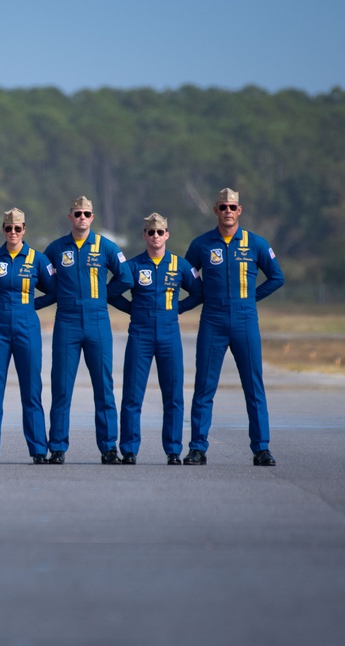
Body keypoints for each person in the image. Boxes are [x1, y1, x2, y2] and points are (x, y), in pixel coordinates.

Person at [180, 188, 285, 466]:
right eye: (223, 207)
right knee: (204, 386)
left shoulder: (256, 243)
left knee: (253, 386)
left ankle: (261, 448)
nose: (227, 211)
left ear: (240, 210)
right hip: (213, 321)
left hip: (245, 320)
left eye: (232, 207)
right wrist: (202, 295)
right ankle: (197, 448)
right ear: (215, 210)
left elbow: (277, 277)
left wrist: (251, 298)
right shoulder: (202, 244)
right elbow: (183, 275)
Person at [35, 196, 131, 465]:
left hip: (97, 321)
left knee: (103, 387)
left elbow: (126, 277)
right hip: (66, 322)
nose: (81, 218)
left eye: (86, 213)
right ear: (70, 217)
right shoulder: (56, 248)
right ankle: (57, 447)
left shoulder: (106, 247)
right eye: (77, 213)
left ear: (92, 217)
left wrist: (103, 296)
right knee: (61, 387)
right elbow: (43, 278)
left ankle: (109, 447)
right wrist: (58, 295)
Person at [107, 213, 202, 465]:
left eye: (160, 232)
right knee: (132, 394)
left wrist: (178, 309)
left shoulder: (180, 265)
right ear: (144, 235)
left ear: (167, 234)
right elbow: (111, 292)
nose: (156, 237)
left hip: (170, 334)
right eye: (151, 232)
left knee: (173, 395)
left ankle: (173, 450)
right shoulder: (133, 266)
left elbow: (199, 292)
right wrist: (132, 309)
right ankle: (129, 449)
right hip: (140, 334)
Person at [0, 208, 55, 464]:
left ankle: (37, 450)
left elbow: (54, 291)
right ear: (3, 229)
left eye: (18, 228)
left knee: (32, 390)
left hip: (27, 325)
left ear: (24, 230)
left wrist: (30, 307)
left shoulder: (38, 259)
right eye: (8, 228)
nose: (13, 232)